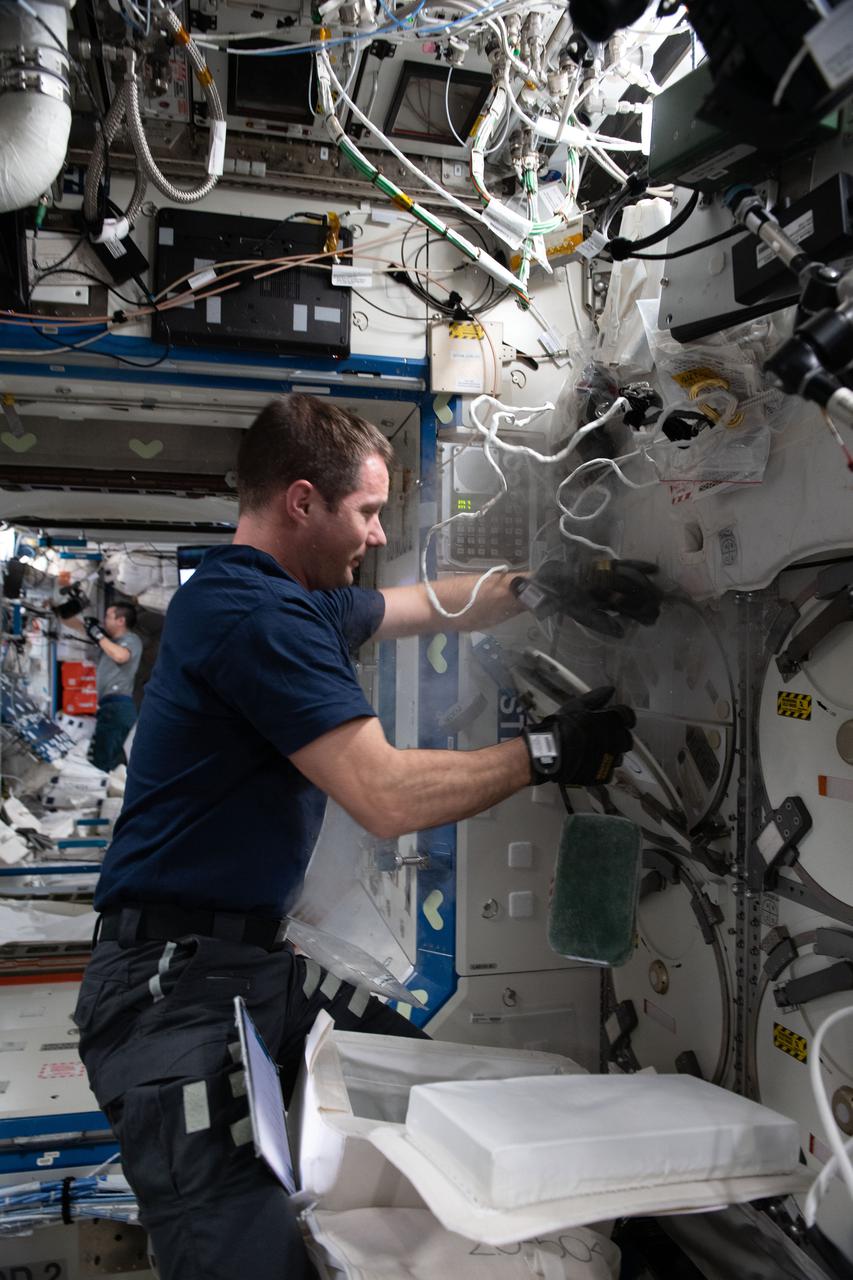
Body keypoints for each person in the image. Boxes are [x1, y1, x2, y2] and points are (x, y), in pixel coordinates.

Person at [73, 394, 659, 1280]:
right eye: (368, 512)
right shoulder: (257, 617)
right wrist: (548, 752)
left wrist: (538, 588)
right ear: (301, 501)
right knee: (246, 1250)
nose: (380, 535)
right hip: (170, 992)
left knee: (436, 1104)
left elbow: (422, 607)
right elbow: (385, 796)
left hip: (243, 967)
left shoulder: (284, 597)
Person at [64, 603, 143, 772]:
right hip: (110, 706)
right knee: (111, 759)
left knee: (101, 762)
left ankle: (103, 795)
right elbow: (78, 626)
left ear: (121, 620)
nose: (104, 620)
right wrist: (59, 609)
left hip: (118, 706)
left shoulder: (131, 640)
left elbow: (121, 656)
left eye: (108, 616)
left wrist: (98, 635)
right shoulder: (109, 642)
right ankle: (116, 793)